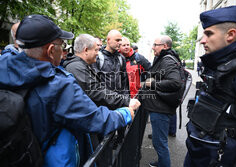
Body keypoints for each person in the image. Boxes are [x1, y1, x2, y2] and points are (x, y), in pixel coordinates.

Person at [0, 14, 139, 166]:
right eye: (63, 45)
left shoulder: (5, 70)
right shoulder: (58, 85)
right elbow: (94, 118)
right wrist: (125, 113)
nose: (65, 50)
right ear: (51, 50)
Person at [184, 6, 236, 167]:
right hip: (198, 152)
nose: (202, 40)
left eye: (209, 33)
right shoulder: (215, 66)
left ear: (231, 35)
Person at [63, 34, 140, 110]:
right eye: (96, 50)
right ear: (86, 50)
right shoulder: (76, 68)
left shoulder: (82, 66)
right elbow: (96, 91)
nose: (97, 53)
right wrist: (125, 101)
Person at [141, 35, 183, 167]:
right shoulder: (164, 58)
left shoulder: (167, 60)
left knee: (160, 143)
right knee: (160, 142)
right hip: (160, 107)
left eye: (155, 45)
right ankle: (161, 162)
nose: (153, 47)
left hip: (161, 109)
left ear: (165, 46)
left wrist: (152, 84)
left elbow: (175, 82)